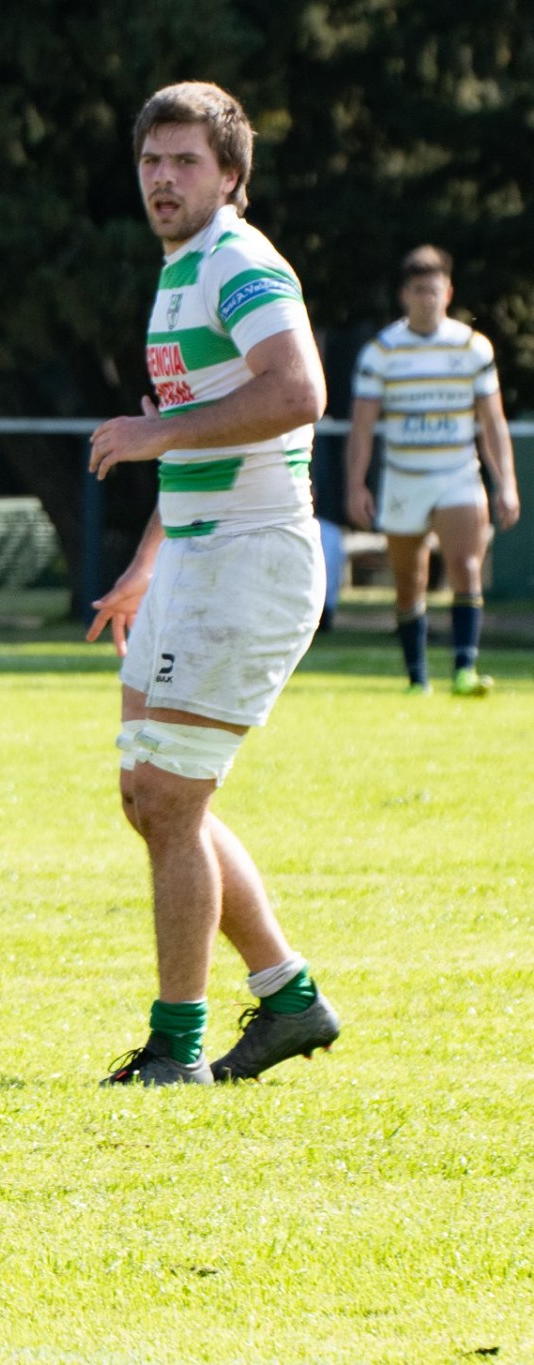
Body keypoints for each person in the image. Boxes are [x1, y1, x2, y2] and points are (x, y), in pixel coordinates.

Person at [87, 82, 341, 1086]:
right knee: (145, 798)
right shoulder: (181, 269)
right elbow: (210, 426)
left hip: (249, 559)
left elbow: (295, 390)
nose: (162, 178)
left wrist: (151, 433)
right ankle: (286, 999)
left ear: (228, 175)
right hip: (194, 555)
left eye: (184, 161)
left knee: (168, 800)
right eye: (151, 161)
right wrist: (148, 560)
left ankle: (175, 1047)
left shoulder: (235, 261)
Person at [345, 245, 521, 696]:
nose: (428, 298)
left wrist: (506, 485)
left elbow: (493, 422)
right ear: (405, 294)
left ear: (449, 293)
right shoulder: (381, 351)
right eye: (419, 290)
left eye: (435, 290)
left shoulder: (471, 346)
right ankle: (417, 677)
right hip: (404, 477)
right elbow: (363, 425)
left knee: (466, 564)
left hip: (457, 472)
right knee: (409, 582)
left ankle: (464, 669)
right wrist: (355, 484)